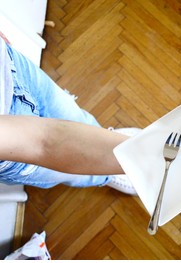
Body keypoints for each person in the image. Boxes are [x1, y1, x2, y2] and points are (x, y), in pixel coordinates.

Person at [0, 31, 139, 195]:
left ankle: (103, 140)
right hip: (10, 146)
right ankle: (105, 176)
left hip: (11, 67)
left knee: (76, 118)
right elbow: (45, 143)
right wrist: (142, 156)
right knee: (75, 171)